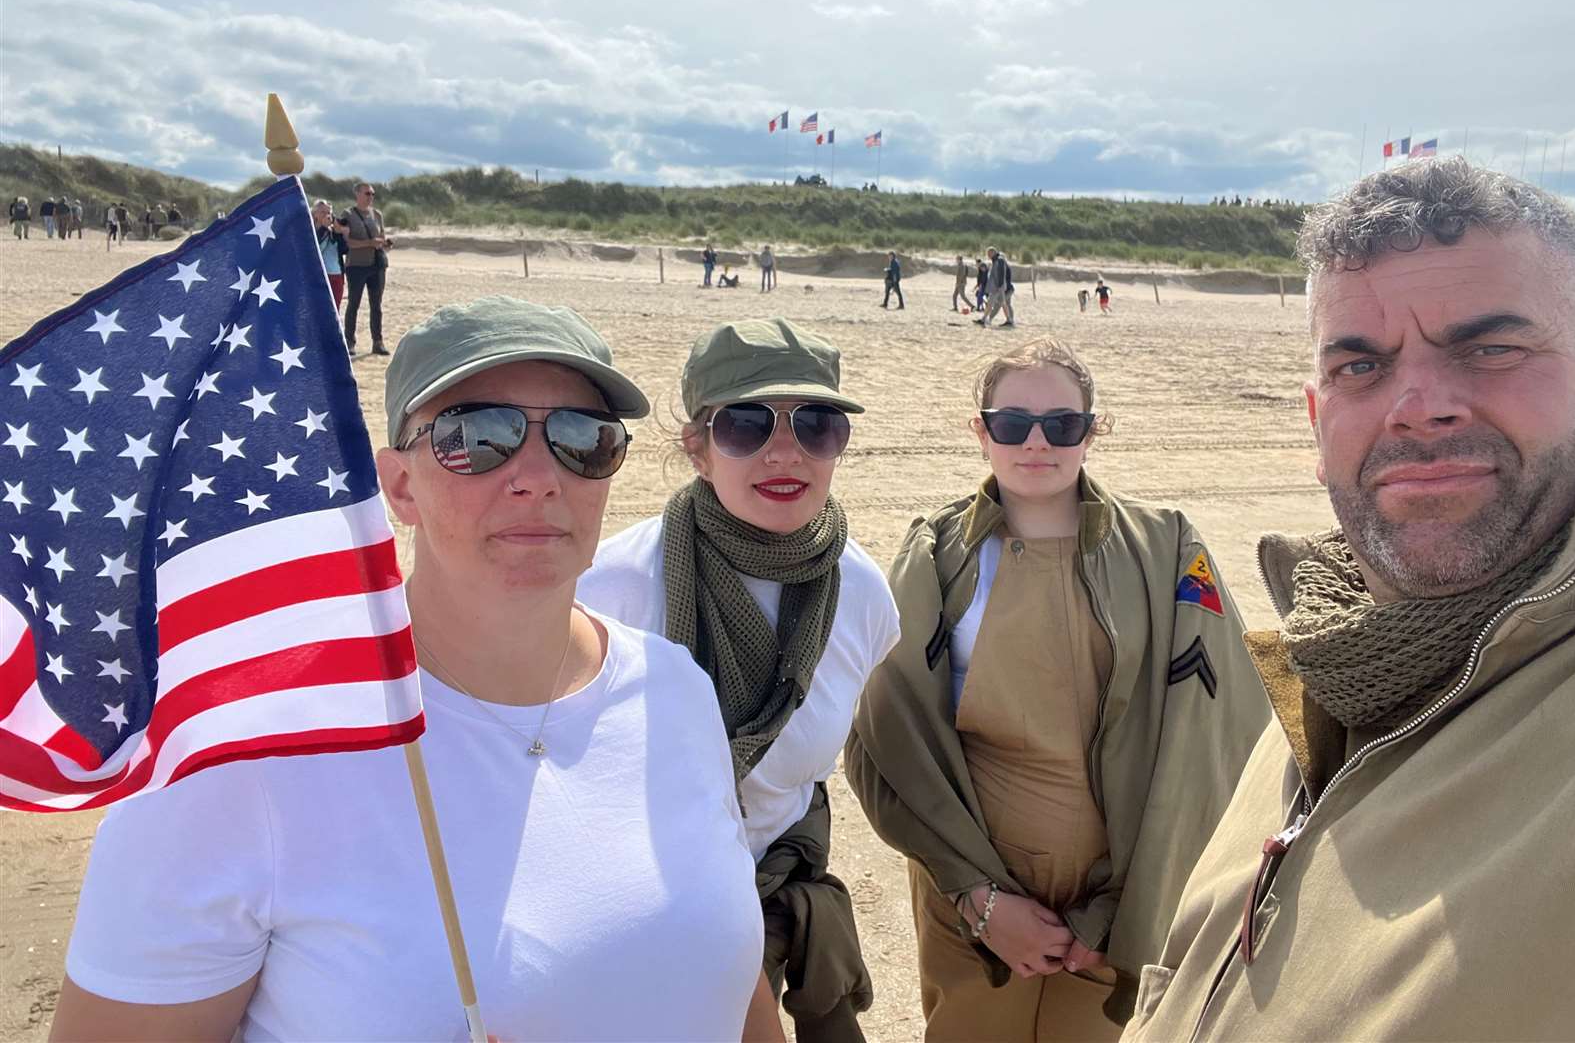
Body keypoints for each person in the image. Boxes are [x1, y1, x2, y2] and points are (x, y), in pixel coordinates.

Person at [50, 296, 782, 1043]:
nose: (537, 477)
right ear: (400, 487)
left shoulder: (673, 692)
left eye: (581, 439)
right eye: (475, 438)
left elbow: (734, 989)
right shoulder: (240, 757)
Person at [1123, 158, 1575, 1041]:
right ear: (1316, 422)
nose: (1417, 405)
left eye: (1490, 349)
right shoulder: (1333, 655)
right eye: (1362, 364)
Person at [847, 337, 1268, 1042]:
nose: (1036, 443)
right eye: (1012, 424)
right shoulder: (935, 555)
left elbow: (1218, 732)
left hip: (1123, 901)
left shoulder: (1168, 547)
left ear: (1092, 429)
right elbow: (886, 739)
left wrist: (1123, 911)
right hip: (968, 907)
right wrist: (978, 898)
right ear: (980, 431)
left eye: (1062, 424)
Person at [580, 318, 900, 1042]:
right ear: (696, 445)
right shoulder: (615, 591)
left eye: (816, 424)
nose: (784, 451)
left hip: (774, 912)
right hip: (638, 926)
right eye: (746, 424)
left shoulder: (863, 595)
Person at [338, 182, 391, 357]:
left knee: (376, 305)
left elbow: (382, 237)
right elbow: (348, 242)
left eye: (372, 194)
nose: (370, 197)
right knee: (354, 303)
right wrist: (369, 243)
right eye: (367, 193)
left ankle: (378, 341)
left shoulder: (377, 214)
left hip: (377, 264)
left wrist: (384, 243)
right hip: (357, 265)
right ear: (358, 195)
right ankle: (349, 341)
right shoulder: (348, 214)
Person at [312, 199, 347, 308]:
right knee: (319, 309)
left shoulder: (333, 231)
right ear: (315, 214)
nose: (327, 215)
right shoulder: (309, 230)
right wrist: (323, 228)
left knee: (335, 309)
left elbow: (345, 250)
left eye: (329, 213)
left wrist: (338, 233)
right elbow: (314, 247)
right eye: (323, 212)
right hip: (319, 276)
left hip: (337, 275)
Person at [979, 246, 1015, 328]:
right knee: (997, 303)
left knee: (1001, 303)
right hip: (998, 287)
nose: (988, 256)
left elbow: (1001, 274)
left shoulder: (1000, 260)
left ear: (993, 253)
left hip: (998, 287)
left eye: (988, 254)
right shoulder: (996, 260)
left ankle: (1008, 320)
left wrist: (1000, 286)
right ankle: (984, 319)